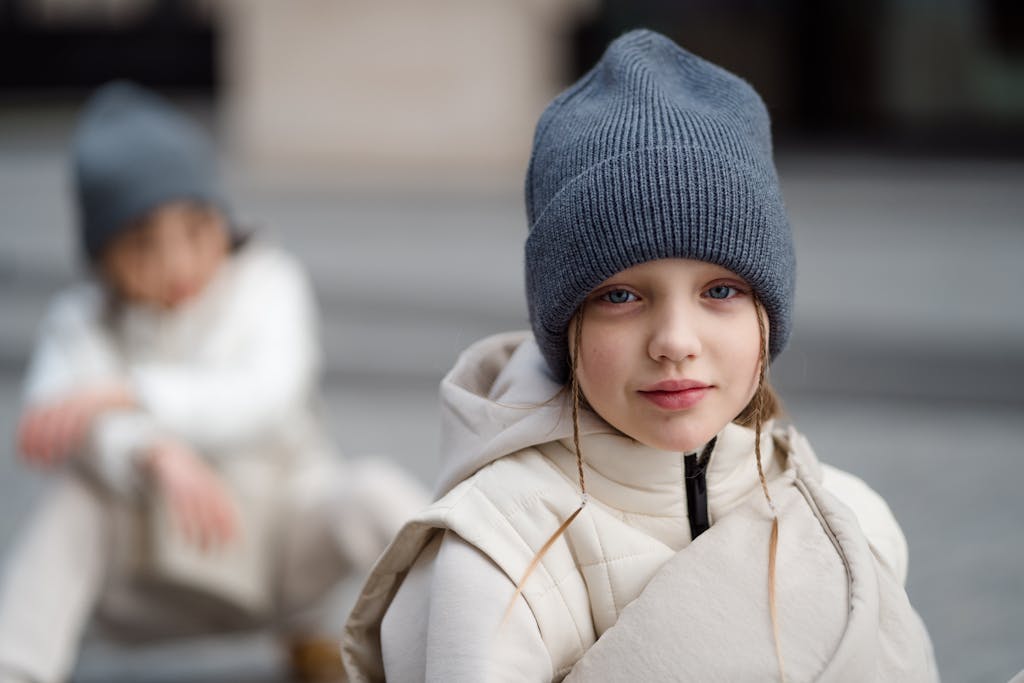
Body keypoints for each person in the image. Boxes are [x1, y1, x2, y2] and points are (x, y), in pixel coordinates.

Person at [340, 30, 938, 682]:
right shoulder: (499, 557)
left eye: (721, 290)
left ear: (770, 308)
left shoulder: (853, 523)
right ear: (563, 322)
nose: (675, 339)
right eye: (621, 295)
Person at [0, 82, 427, 683]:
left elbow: (268, 394)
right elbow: (55, 419)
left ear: (223, 221)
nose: (175, 263)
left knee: (374, 491)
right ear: (101, 255)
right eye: (142, 243)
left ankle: (483, 643)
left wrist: (127, 395)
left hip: (283, 558)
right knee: (74, 497)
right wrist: (154, 451)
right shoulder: (80, 320)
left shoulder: (267, 281)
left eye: (195, 231)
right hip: (157, 569)